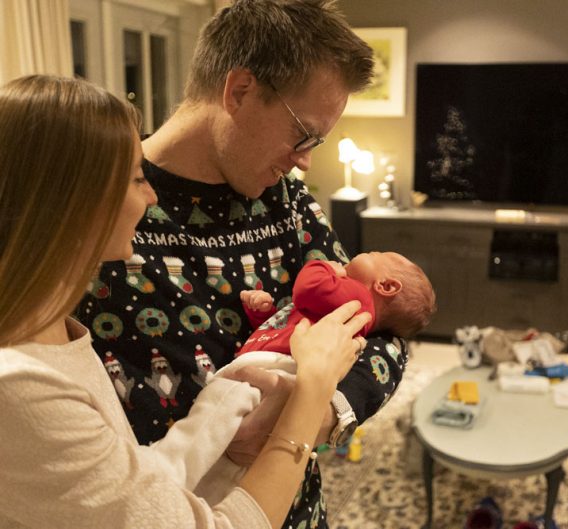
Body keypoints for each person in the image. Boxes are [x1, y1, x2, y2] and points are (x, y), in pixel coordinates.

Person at [76, 2, 407, 527]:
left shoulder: (287, 201)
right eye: (304, 134)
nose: (305, 160)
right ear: (240, 91)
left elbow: (384, 329)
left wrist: (315, 416)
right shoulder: (103, 206)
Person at [0, 74, 370, 529]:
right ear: (72, 203)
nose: (151, 195)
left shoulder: (56, 332)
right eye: (138, 178)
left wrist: (230, 436)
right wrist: (311, 394)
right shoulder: (18, 386)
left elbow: (137, 479)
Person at [236, 252, 436, 361]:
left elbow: (308, 287)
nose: (369, 251)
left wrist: (324, 267)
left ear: (386, 286)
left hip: (269, 364)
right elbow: (288, 328)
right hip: (262, 361)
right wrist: (263, 314)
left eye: (376, 255)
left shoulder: (360, 299)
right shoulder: (345, 307)